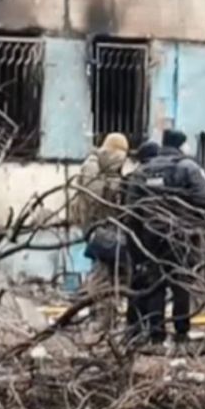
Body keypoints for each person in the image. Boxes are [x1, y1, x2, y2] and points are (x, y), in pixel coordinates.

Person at [122, 129, 205, 350]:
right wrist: (181, 203)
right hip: (182, 234)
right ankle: (181, 335)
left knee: (155, 285)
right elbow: (204, 199)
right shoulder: (189, 168)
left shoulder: (144, 170)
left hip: (151, 236)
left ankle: (156, 336)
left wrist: (139, 237)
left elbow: (131, 208)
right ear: (180, 145)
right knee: (181, 284)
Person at [71, 132, 131, 331]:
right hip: (98, 227)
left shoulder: (106, 168)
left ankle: (106, 316)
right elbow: (95, 200)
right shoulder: (93, 166)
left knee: (110, 272)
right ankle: (93, 313)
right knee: (101, 272)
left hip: (107, 227)